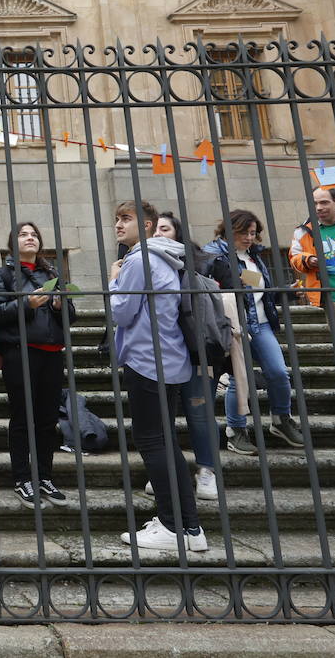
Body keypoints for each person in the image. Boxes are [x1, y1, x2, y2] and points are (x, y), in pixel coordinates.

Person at [108, 199, 208, 552]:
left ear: (147, 225)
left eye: (126, 219)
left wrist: (114, 281)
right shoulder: (166, 256)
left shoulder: (139, 260)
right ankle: (189, 527)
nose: (119, 225)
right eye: (117, 219)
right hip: (169, 359)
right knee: (166, 443)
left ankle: (172, 525)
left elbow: (121, 312)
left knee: (153, 442)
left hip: (147, 359)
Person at [0, 221, 77, 508]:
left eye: (34, 234)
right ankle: (23, 478)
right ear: (13, 243)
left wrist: (63, 307)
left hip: (51, 351)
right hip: (20, 352)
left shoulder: (52, 275)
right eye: (23, 234)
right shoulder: (0, 275)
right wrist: (27, 305)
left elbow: (70, 317)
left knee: (48, 419)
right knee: (23, 417)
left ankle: (44, 476)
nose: (30, 238)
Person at [202, 210, 303, 452]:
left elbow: (261, 291)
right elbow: (223, 284)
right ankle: (236, 431)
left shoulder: (254, 256)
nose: (249, 238)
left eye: (253, 233)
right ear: (229, 229)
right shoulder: (213, 254)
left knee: (278, 373)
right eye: (244, 232)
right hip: (235, 326)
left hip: (261, 323)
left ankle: (281, 419)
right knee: (240, 377)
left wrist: (285, 293)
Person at [153, 212, 225, 500]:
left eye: (164, 228)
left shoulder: (204, 262)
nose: (158, 234)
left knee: (199, 412)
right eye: (154, 229)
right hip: (162, 351)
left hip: (198, 351)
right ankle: (165, 471)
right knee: (162, 416)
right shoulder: (142, 264)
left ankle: (207, 470)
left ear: (178, 234)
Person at [291, 187, 335, 406]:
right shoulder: (304, 231)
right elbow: (294, 256)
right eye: (315, 204)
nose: (319, 208)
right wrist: (307, 260)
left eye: (324, 203)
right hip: (334, 298)